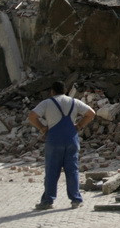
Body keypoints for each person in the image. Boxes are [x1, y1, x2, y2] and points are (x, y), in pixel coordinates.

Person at [28, 81, 95, 210]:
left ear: (52, 91)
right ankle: (76, 200)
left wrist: (42, 128)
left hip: (54, 141)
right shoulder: (74, 102)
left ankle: (48, 201)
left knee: (52, 171)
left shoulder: (47, 103)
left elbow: (31, 116)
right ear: (65, 91)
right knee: (72, 171)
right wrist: (80, 125)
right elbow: (91, 113)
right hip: (71, 140)